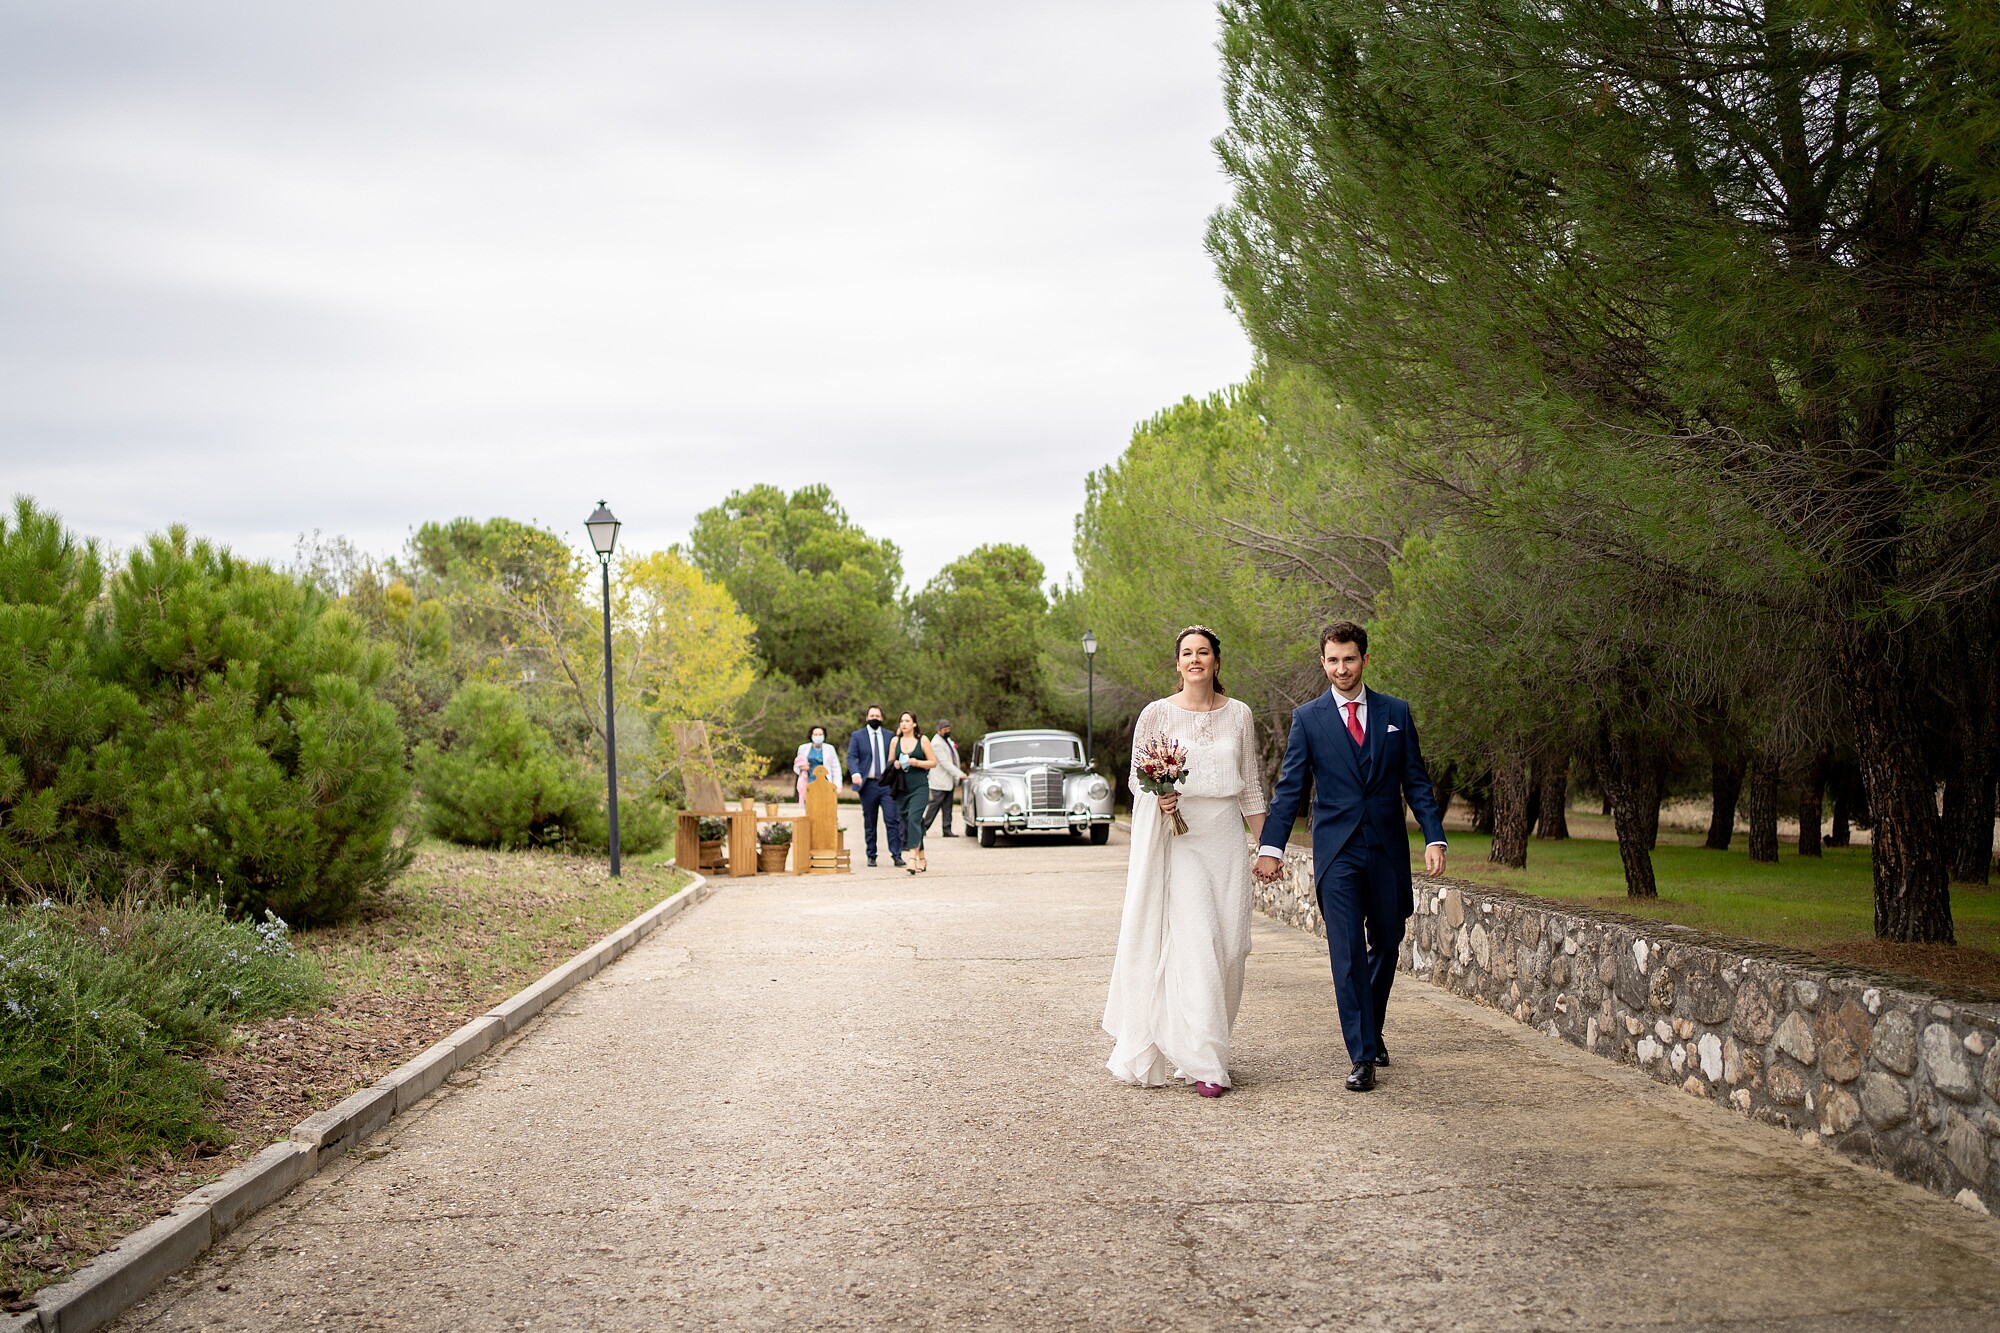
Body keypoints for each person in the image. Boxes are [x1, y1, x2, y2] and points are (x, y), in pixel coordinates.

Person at [1254, 621, 1447, 1093]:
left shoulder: (1395, 712)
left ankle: (1372, 1027)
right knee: (1346, 953)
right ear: (1323, 662)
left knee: (1386, 939)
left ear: (1364, 659)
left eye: (1350, 659)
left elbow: (1416, 781)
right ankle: (1362, 1055)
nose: (1342, 668)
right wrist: (1271, 848)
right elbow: (1290, 790)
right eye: (1333, 660)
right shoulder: (1308, 718)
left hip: (1386, 848)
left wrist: (1434, 836)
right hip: (1337, 852)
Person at [1102, 625, 1265, 1098]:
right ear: (1177, 664)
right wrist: (1162, 798)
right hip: (1182, 842)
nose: (1195, 659)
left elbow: (1251, 785)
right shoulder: (1156, 714)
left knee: (1232, 948)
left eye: (1204, 652)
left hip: (1227, 842)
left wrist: (1268, 848)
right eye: (1187, 653)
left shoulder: (1240, 715)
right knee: (1197, 944)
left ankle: (1197, 1039)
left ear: (1217, 661)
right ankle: (1207, 1063)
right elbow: (1137, 781)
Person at [846, 706, 905, 868]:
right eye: (872, 715)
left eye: (878, 716)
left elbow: (897, 755)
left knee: (892, 819)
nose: (875, 718)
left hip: (887, 784)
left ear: (882, 718)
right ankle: (871, 855)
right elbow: (851, 756)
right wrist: (855, 773)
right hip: (868, 784)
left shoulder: (889, 736)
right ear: (866, 718)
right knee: (870, 821)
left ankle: (897, 854)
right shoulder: (857, 736)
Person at [886, 712, 938, 873]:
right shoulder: (895, 741)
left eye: (907, 721)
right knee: (909, 821)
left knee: (914, 819)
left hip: (919, 786)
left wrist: (917, 762)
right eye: (901, 721)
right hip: (902, 787)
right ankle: (922, 858)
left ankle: (912, 859)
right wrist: (894, 764)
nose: (904, 724)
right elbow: (890, 761)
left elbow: (933, 762)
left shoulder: (922, 740)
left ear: (914, 724)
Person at [922, 719, 964, 838]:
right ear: (939, 731)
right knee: (935, 804)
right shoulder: (936, 743)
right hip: (939, 780)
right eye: (945, 730)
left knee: (947, 805)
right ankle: (924, 826)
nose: (947, 732)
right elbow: (945, 763)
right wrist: (959, 773)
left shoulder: (947, 741)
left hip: (948, 780)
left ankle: (947, 828)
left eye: (948, 729)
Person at [793, 724, 842, 805]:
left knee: (824, 808)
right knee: (810, 808)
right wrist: (802, 768)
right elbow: (796, 766)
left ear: (824, 735)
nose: (818, 736)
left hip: (826, 783)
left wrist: (838, 786)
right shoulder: (803, 748)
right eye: (815, 734)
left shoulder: (830, 749)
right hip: (809, 782)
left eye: (820, 734)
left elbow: (836, 768)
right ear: (811, 735)